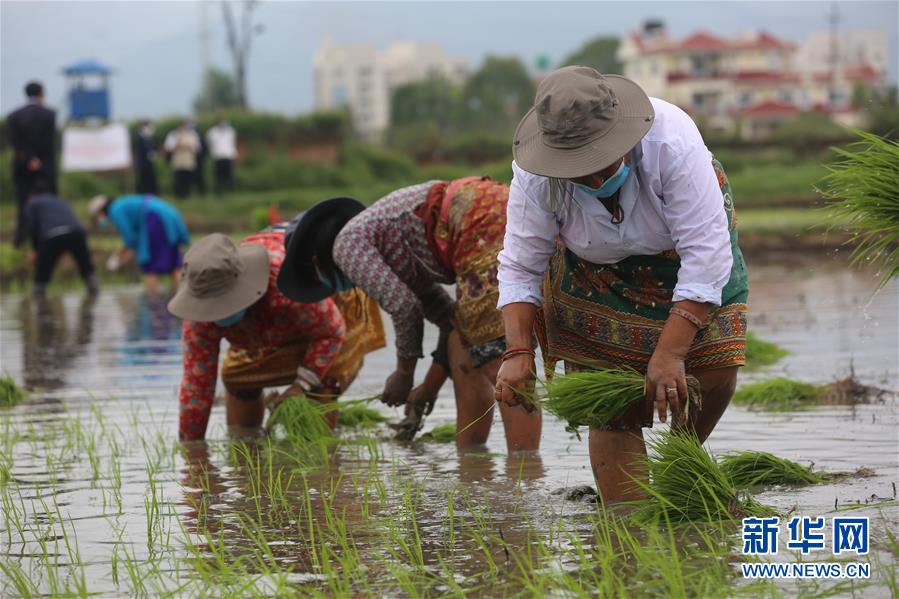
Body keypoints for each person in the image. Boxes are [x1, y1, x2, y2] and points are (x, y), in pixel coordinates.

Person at [495, 66, 749, 503]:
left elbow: (706, 258)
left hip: (679, 250)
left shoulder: (671, 143)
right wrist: (518, 353)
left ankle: (681, 459)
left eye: (600, 163)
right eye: (577, 170)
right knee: (611, 406)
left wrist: (670, 354)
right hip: (593, 269)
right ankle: (628, 533)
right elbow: (521, 266)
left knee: (714, 365)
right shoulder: (536, 172)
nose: (594, 180)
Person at [278, 186, 542, 452]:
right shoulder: (392, 249)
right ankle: (473, 457)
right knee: (465, 339)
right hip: (496, 206)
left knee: (499, 362)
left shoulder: (346, 244)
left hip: (477, 224)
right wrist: (426, 389)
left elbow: (404, 308)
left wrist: (404, 374)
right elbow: (451, 320)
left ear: (316, 262)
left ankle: (526, 473)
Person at [168, 228, 386, 440]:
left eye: (224, 304)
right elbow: (197, 385)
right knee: (238, 379)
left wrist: (300, 385)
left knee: (323, 383)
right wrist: (192, 451)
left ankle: (323, 457)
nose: (218, 311)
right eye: (212, 307)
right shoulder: (199, 321)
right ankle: (248, 448)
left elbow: (331, 332)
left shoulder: (286, 285)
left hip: (327, 311)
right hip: (264, 326)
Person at [89, 193, 190, 294]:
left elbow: (130, 239)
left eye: (97, 217)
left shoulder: (115, 210)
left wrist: (119, 261)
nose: (99, 220)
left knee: (151, 267)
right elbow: (133, 240)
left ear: (101, 211)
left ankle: (153, 304)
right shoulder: (122, 204)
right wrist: (120, 254)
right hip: (167, 216)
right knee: (175, 264)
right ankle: (180, 300)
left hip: (155, 219)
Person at [15, 178, 98, 298]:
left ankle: (39, 297)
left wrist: (36, 251)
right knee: (86, 267)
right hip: (77, 233)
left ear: (30, 196)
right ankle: (94, 291)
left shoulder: (32, 203)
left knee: (42, 271)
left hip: (51, 236)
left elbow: (33, 228)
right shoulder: (60, 200)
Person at [7, 81, 57, 245]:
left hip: (22, 166)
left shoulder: (13, 116)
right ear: (41, 93)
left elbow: (14, 142)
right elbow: (48, 141)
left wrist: (29, 158)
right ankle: (50, 237)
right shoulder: (49, 114)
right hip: (45, 167)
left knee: (22, 203)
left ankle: (20, 240)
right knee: (50, 202)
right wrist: (37, 159)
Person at [163, 120, 200, 198]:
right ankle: (178, 194)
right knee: (178, 178)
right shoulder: (173, 134)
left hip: (188, 160)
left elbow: (197, 148)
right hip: (178, 160)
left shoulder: (193, 134)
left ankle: (187, 194)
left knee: (188, 178)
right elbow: (168, 148)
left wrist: (190, 147)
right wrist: (178, 146)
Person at [206, 119, 237, 194]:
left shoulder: (230, 131)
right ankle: (218, 192)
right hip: (218, 157)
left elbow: (232, 143)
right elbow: (209, 143)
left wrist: (234, 154)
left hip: (228, 156)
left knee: (229, 175)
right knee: (218, 176)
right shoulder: (212, 132)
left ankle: (230, 191)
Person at [133, 120, 159, 194]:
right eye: (148, 127)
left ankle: (151, 191)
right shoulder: (138, 138)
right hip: (142, 162)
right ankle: (143, 192)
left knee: (150, 177)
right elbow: (138, 150)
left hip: (149, 162)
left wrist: (153, 153)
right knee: (143, 178)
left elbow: (153, 147)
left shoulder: (149, 137)